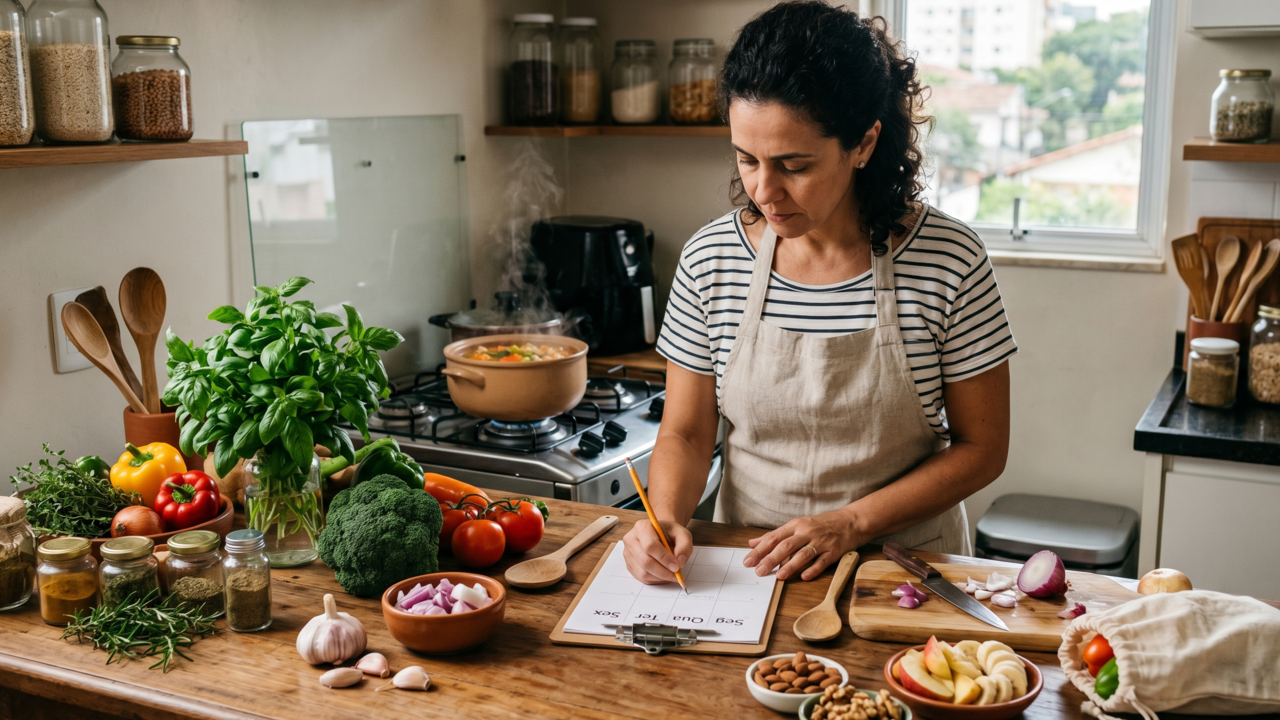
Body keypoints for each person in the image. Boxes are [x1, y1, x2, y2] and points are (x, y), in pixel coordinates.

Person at [623, 1, 1016, 586]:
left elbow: (982, 448)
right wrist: (665, 519)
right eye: (747, 159)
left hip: (903, 573)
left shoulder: (949, 259)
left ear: (864, 143)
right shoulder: (711, 259)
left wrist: (851, 523)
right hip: (750, 570)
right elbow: (686, 431)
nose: (764, 190)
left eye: (794, 165)